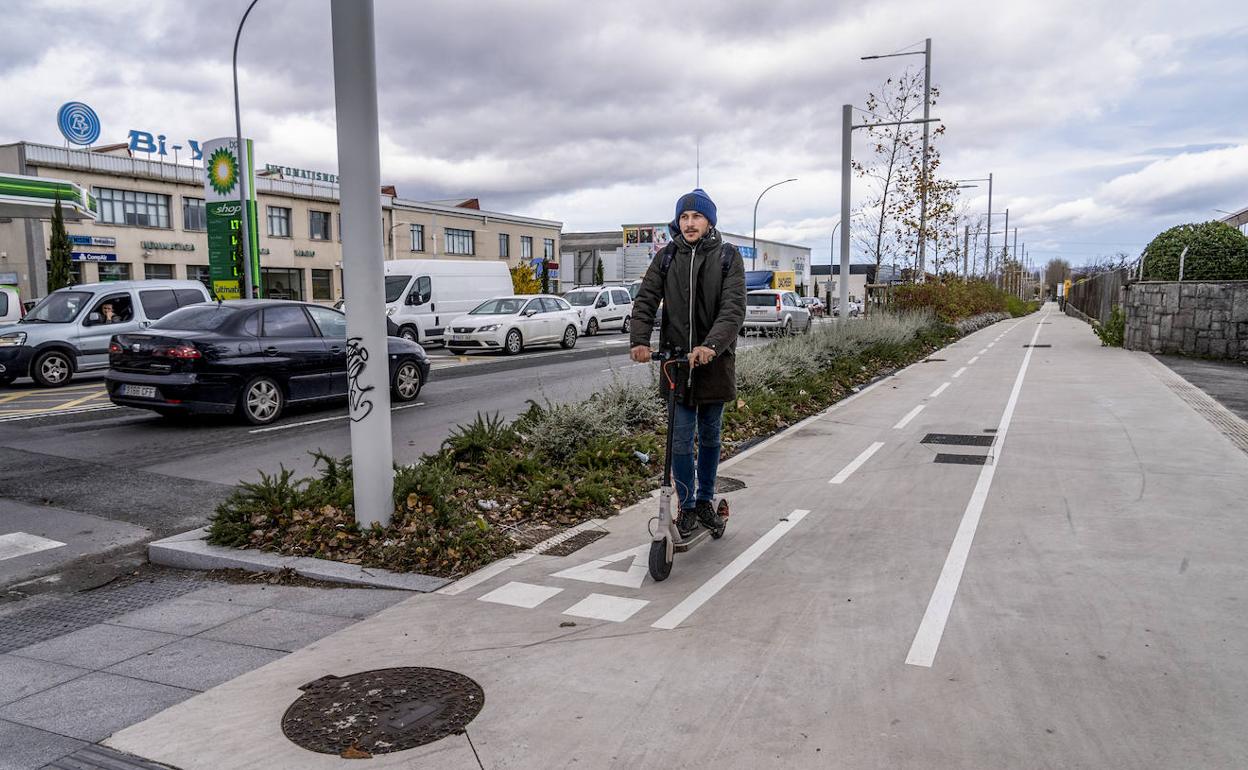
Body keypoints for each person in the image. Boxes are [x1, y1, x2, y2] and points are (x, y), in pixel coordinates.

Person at [630, 188, 746, 536]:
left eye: (696, 217)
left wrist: (711, 345)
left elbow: (733, 308)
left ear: (709, 221)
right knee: (680, 440)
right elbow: (647, 298)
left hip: (713, 363)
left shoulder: (727, 257)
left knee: (710, 436)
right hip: (676, 364)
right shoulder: (667, 257)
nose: (690, 223)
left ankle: (707, 500)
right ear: (677, 222)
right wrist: (639, 340)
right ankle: (688, 505)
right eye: (684, 217)